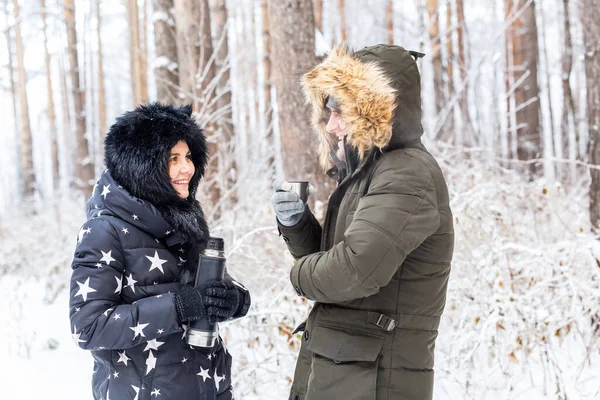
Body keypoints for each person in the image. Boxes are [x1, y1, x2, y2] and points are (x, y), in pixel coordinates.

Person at [271, 44, 454, 400]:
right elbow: (342, 257)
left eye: (341, 110)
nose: (332, 124)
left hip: (375, 381)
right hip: (346, 374)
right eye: (328, 111)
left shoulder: (407, 173)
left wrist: (296, 277)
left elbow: (353, 271)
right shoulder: (373, 172)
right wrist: (296, 224)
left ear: (377, 110)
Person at [69, 103, 250, 400]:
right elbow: (88, 327)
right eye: (173, 158)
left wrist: (234, 299)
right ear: (142, 166)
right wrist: (179, 307)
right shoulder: (104, 231)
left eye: (189, 156)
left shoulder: (184, 219)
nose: (187, 168)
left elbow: (211, 289)